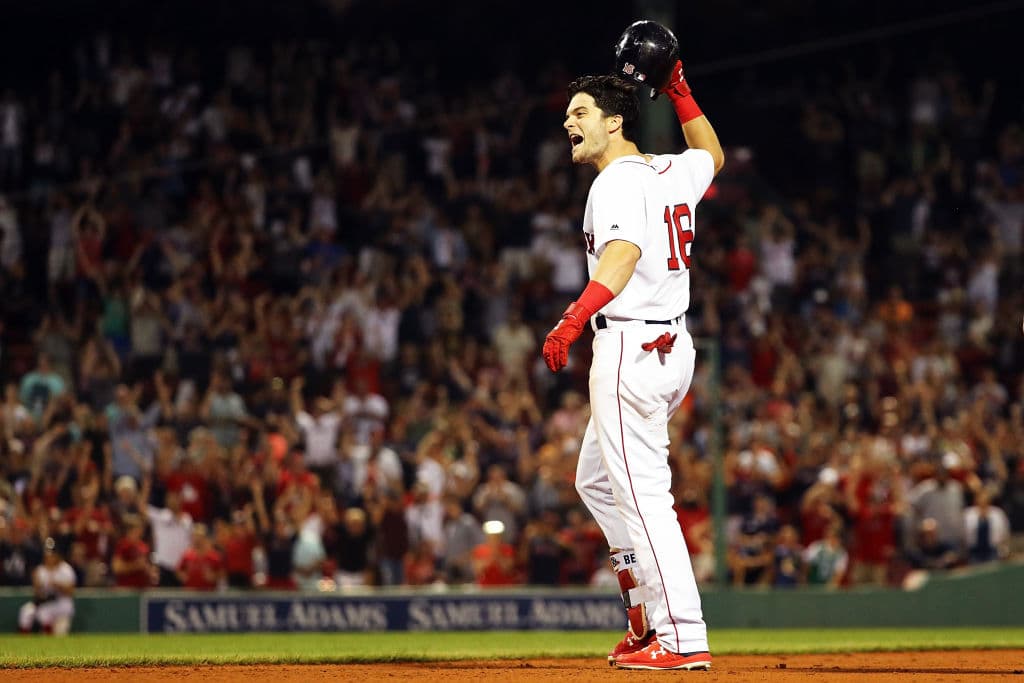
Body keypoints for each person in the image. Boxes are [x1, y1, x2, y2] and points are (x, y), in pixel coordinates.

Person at [542, 52, 723, 670]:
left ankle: (681, 635)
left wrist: (573, 316)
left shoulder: (616, 181)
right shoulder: (668, 170)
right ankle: (645, 610)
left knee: (645, 497)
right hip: (670, 346)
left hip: (629, 345)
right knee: (595, 480)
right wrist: (680, 91)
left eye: (581, 112)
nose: (569, 121)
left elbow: (619, 256)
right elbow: (712, 157)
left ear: (615, 122)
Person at [18, 538, 76, 635]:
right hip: (45, 603)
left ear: (57, 555)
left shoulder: (66, 569)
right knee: (27, 611)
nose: (49, 557)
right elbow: (37, 592)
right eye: (47, 554)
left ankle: (48, 635)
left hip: (62, 605)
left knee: (59, 634)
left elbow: (71, 592)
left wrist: (58, 586)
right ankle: (24, 639)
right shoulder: (40, 570)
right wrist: (39, 588)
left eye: (52, 554)